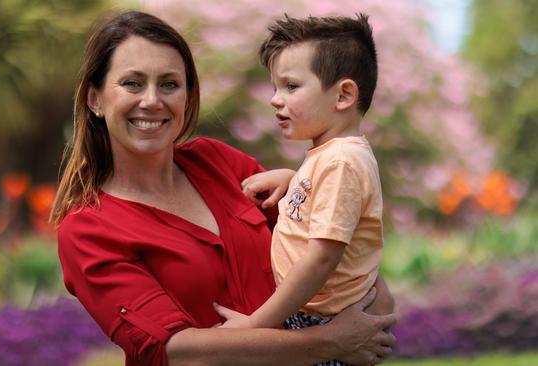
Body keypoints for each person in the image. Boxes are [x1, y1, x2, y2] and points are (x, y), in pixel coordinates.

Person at [50, 10, 395, 366]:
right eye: (132, 83)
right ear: (95, 99)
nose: (152, 100)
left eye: (169, 84)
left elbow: (332, 252)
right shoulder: (88, 230)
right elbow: (176, 352)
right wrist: (329, 342)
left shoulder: (219, 163)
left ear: (187, 95)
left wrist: (367, 314)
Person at [215, 13, 385, 366]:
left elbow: (322, 258)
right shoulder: (333, 156)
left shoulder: (340, 162)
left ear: (344, 95)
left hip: (323, 321)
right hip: (315, 315)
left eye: (291, 87)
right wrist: (294, 180)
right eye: (276, 87)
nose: (276, 99)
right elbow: (329, 201)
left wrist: (255, 324)